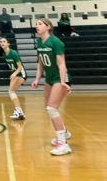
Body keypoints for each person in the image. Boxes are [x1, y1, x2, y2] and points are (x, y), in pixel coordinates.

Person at [31, 18, 72, 156]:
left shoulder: (56, 42)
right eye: (36, 24)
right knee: (48, 108)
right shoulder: (39, 42)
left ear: (48, 27)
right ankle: (64, 133)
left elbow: (61, 64)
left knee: (51, 108)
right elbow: (41, 63)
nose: (37, 26)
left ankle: (63, 144)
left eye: (40, 24)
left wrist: (62, 82)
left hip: (59, 79)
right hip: (49, 79)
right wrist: (37, 79)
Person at [0, 37, 27, 120]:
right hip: (15, 74)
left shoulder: (13, 53)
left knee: (11, 91)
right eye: (1, 42)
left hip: (21, 74)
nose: (2, 43)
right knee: (11, 91)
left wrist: (14, 74)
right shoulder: (4, 54)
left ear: (8, 44)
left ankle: (19, 111)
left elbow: (20, 67)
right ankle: (19, 112)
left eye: (4, 41)